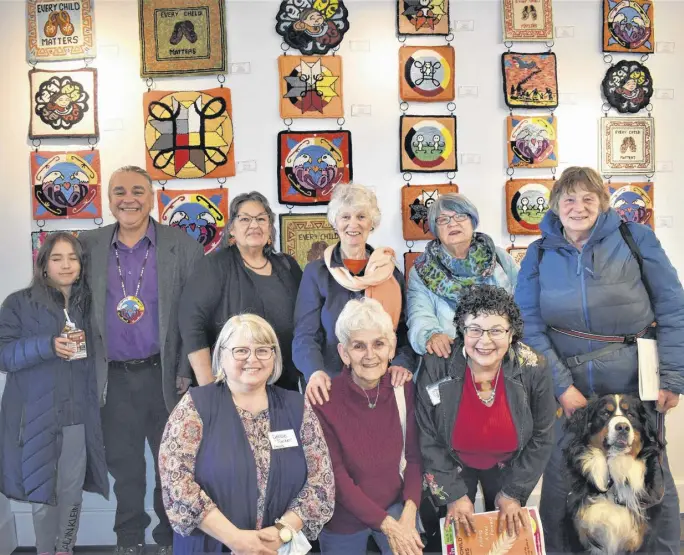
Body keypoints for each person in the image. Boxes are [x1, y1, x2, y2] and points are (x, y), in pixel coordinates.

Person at [515, 166, 684, 553]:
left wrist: (673, 378)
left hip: (634, 383)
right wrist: (561, 387)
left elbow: (673, 308)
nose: (578, 207)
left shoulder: (636, 239)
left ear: (603, 203)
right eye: (569, 199)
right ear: (555, 205)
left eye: (588, 198)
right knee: (561, 480)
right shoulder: (538, 254)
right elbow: (529, 325)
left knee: (652, 480)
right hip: (569, 391)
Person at [79, 166, 204, 555]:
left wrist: (186, 369)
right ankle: (128, 540)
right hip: (111, 379)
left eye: (137, 191)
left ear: (152, 198)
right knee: (125, 469)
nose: (127, 199)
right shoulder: (89, 245)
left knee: (171, 466)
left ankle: (168, 540)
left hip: (164, 377)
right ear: (108, 197)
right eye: (119, 191)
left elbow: (195, 314)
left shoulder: (181, 246)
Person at [159, 314, 335, 554]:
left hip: (279, 547)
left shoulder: (297, 407)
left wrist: (281, 532)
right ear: (221, 355)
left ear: (274, 356)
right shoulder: (195, 406)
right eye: (241, 350)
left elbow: (321, 484)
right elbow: (176, 483)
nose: (252, 359)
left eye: (263, 350)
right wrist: (236, 539)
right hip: (210, 547)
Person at [416, 285, 555, 539]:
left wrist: (514, 492)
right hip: (453, 463)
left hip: (509, 465)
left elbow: (543, 435)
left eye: (496, 330)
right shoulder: (436, 365)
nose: (485, 340)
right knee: (456, 536)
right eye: (475, 329)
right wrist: (454, 495)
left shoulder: (534, 367)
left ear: (511, 333)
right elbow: (427, 436)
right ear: (462, 330)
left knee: (504, 538)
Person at [0, 233, 109, 555]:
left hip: (78, 417)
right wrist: (47, 346)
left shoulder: (91, 303)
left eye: (72, 257)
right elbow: (3, 354)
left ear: (82, 264)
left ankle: (65, 549)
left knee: (72, 493)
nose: (65, 265)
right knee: (42, 498)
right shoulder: (18, 303)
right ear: (44, 263)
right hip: (34, 419)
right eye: (57, 257)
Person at [313, 298, 423, 555]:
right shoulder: (325, 399)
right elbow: (336, 478)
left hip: (396, 504)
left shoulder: (403, 388)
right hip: (343, 516)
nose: (370, 355)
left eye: (379, 344)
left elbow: (415, 457)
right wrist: (389, 527)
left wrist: (409, 511)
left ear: (392, 348)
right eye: (359, 346)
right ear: (344, 353)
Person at [294, 183, 415, 406]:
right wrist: (314, 372)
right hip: (330, 387)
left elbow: (405, 331)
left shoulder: (389, 273)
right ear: (335, 222)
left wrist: (401, 363)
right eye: (345, 216)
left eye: (361, 216)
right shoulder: (317, 273)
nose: (353, 224)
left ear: (372, 223)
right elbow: (305, 335)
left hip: (381, 387)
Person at [180, 191, 303, 391]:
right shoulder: (214, 266)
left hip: (284, 385)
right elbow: (191, 325)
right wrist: (208, 389)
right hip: (231, 387)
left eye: (261, 219)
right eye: (245, 219)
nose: (254, 225)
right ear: (232, 230)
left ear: (270, 229)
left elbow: (307, 319)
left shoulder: (288, 265)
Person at [407, 193, 519, 360]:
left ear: (472, 221)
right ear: (435, 229)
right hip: (451, 358)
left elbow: (523, 303)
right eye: (443, 220)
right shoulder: (421, 270)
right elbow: (419, 315)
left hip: (501, 354)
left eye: (460, 216)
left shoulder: (500, 258)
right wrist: (431, 336)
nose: (453, 223)